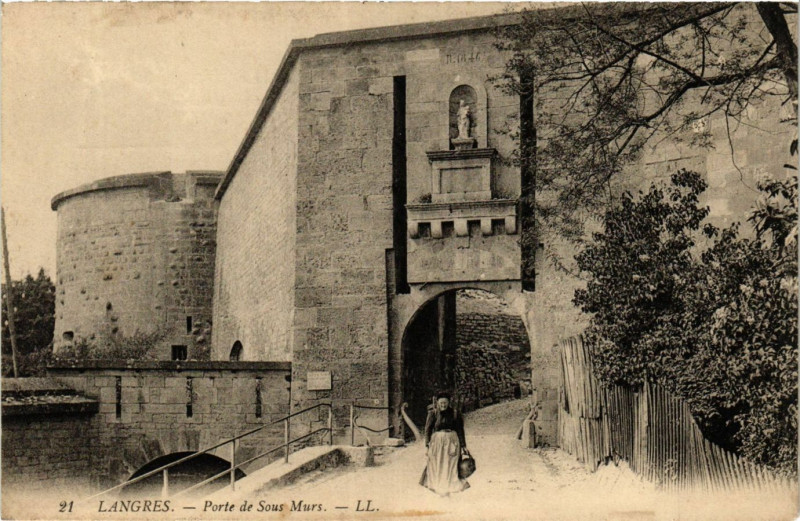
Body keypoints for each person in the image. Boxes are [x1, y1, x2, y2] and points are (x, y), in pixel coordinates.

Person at [419, 391, 470, 495]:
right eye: (441, 403)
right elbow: (428, 430)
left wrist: (463, 445)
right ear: (437, 403)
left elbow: (460, 430)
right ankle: (438, 486)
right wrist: (427, 445)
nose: (443, 405)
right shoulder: (433, 413)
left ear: (448, 403)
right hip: (437, 443)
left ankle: (450, 486)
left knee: (451, 464)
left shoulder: (455, 413)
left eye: (445, 403)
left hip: (452, 442)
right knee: (437, 464)